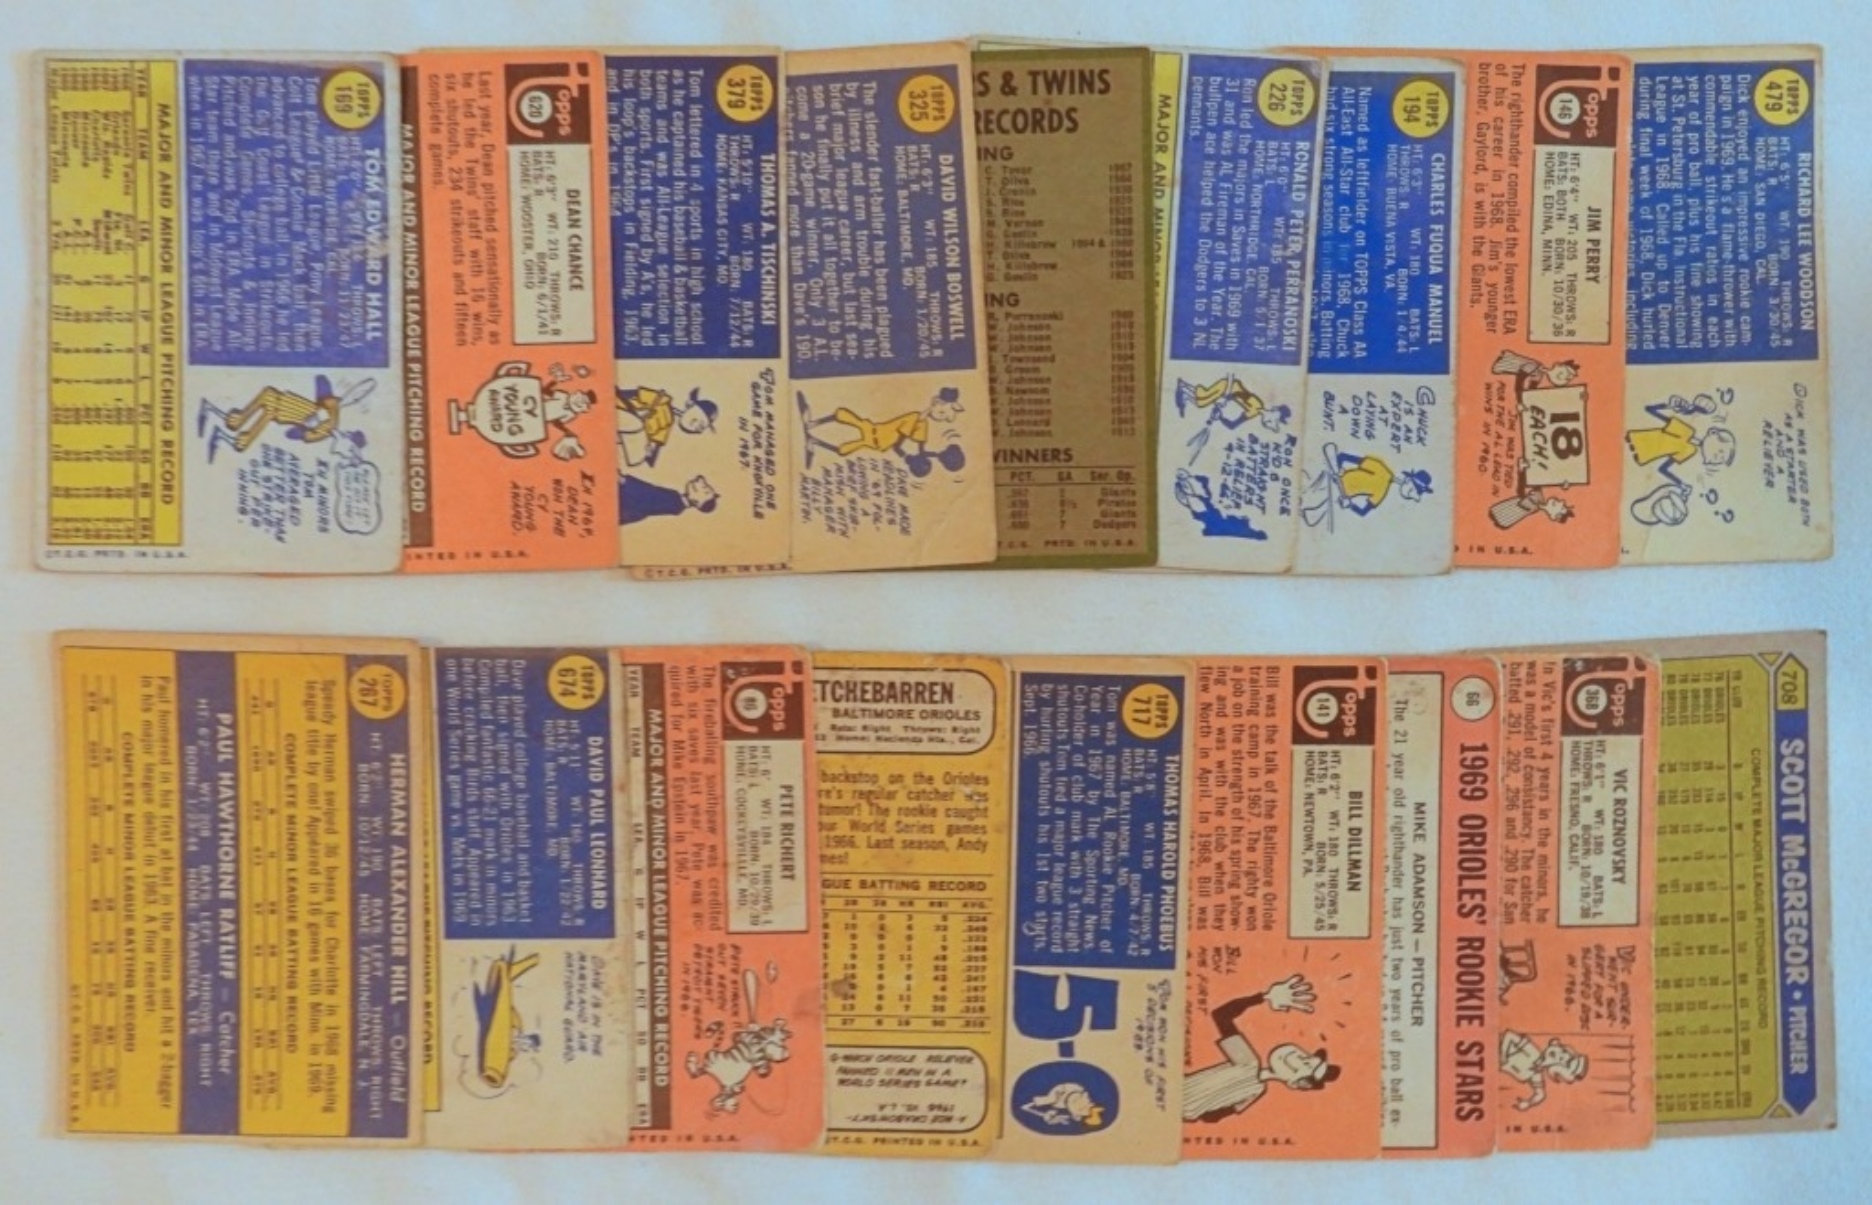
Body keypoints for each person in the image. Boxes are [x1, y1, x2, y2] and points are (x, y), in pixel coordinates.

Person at [1183, 974, 1341, 1123]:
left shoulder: (1253, 1079)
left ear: (1297, 1084)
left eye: (1306, 1063)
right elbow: (1222, 1015)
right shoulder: (1249, 1065)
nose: (1299, 1056)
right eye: (1306, 1056)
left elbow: (1214, 1117)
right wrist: (1264, 997)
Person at [800, 387, 963, 464]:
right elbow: (901, 444)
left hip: (878, 440)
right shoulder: (916, 418)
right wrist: (908, 456)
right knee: (849, 418)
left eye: (944, 415)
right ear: (935, 401)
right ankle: (814, 425)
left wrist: (937, 455)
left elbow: (914, 448)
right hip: (876, 430)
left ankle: (815, 441)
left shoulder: (921, 425)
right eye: (942, 410)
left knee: (850, 442)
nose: (940, 414)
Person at [617, 386, 718, 467]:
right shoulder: (662, 399)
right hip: (620, 411)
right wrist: (634, 411)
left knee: (636, 458)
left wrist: (649, 452)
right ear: (690, 404)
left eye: (700, 428)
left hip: (628, 434)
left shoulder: (668, 423)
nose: (695, 426)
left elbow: (652, 455)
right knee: (636, 425)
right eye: (695, 420)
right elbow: (627, 394)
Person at [1499, 1032, 1588, 1111]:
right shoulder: (1533, 1053)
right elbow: (1509, 1035)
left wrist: (1528, 1103)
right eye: (1563, 1050)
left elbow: (1540, 1094)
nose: (1559, 1055)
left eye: (1561, 1059)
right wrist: (1503, 1057)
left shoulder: (1536, 1074)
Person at [1174, 469, 1267, 540]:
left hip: (1205, 505)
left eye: (1183, 473)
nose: (1182, 475)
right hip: (1201, 508)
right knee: (1220, 521)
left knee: (1225, 520)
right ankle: (1254, 534)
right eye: (1180, 475)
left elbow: (1204, 486)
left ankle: (1253, 533)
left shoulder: (1196, 480)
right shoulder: (1182, 487)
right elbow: (1184, 498)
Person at [620, 474, 719, 524]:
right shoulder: (676, 501)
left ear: (698, 504)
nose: (701, 483)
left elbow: (646, 494)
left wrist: (623, 480)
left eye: (705, 488)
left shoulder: (674, 503)